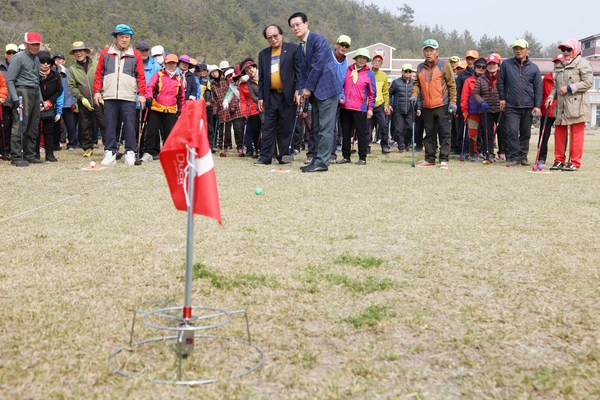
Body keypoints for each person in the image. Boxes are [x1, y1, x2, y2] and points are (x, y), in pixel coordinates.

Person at [289, 12, 341, 173]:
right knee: (316, 127)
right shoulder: (300, 47)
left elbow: (318, 66)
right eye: (292, 26)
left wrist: (308, 89)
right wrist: (300, 91)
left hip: (327, 90)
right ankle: (317, 160)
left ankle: (322, 162)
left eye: (298, 24)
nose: (295, 28)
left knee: (325, 127)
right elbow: (303, 73)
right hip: (315, 92)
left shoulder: (318, 40)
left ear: (306, 24)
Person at [93, 24, 146, 166]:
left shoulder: (136, 55)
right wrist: (97, 91)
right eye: (122, 37)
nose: (124, 40)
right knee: (109, 124)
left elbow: (141, 76)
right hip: (110, 95)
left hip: (128, 96)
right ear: (115, 38)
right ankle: (110, 151)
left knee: (129, 125)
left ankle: (130, 151)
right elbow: (99, 74)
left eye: (127, 37)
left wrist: (141, 93)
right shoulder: (105, 53)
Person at [254, 24, 300, 166]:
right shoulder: (263, 54)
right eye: (269, 38)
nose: (273, 39)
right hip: (271, 96)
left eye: (275, 36)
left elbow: (299, 72)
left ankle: (285, 158)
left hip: (288, 96)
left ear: (281, 34)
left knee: (286, 128)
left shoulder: (293, 49)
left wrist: (298, 90)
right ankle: (265, 157)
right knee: (268, 127)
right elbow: (261, 79)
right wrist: (261, 97)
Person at [545, 39, 593, 171]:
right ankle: (559, 160)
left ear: (576, 50)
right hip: (561, 105)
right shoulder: (560, 65)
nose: (565, 52)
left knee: (576, 135)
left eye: (568, 49)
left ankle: (574, 162)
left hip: (577, 105)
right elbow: (556, 86)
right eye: (563, 49)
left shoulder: (583, 63)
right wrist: (550, 97)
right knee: (559, 134)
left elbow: (588, 83)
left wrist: (570, 87)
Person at [410, 39, 456, 169]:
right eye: (426, 50)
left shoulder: (444, 65)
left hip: (443, 105)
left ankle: (444, 159)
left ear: (437, 52)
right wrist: (414, 95)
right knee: (429, 134)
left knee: (444, 133)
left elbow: (452, 85)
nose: (428, 53)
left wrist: (453, 102)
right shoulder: (420, 67)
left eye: (431, 50)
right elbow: (417, 84)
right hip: (427, 106)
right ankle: (430, 159)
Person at [497, 39, 542, 167]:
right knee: (512, 131)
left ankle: (523, 156)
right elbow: (500, 82)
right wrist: (502, 98)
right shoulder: (506, 64)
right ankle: (514, 157)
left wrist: (537, 106)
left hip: (528, 105)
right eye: (516, 48)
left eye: (521, 48)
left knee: (525, 133)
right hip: (511, 105)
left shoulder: (534, 68)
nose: (518, 51)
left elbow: (538, 89)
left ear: (527, 50)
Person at [6, 32, 44, 165]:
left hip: (34, 92)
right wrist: (16, 99)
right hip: (22, 91)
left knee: (33, 125)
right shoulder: (18, 58)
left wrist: (40, 99)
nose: (35, 47)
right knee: (20, 125)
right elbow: (10, 80)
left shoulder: (36, 59)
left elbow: (36, 81)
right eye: (32, 44)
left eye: (37, 44)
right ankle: (16, 156)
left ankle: (30, 154)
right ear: (26, 44)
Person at [336, 48, 375, 165]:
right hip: (345, 107)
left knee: (361, 133)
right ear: (356, 58)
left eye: (364, 58)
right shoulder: (348, 70)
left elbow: (372, 93)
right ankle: (346, 156)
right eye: (360, 57)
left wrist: (370, 109)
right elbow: (341, 84)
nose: (362, 60)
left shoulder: (369, 73)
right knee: (345, 133)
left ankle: (362, 157)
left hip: (360, 108)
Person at [142, 53, 183, 162]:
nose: (171, 65)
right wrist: (149, 97)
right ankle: (148, 152)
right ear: (165, 63)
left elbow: (181, 97)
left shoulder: (178, 80)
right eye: (169, 63)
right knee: (151, 132)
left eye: (174, 63)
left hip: (170, 110)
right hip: (156, 108)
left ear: (176, 65)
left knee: (169, 133)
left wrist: (181, 110)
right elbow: (150, 87)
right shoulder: (158, 74)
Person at [68, 41, 106, 158]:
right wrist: (81, 98)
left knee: (104, 124)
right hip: (83, 101)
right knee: (85, 126)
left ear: (85, 52)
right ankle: (88, 148)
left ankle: (109, 147)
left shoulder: (96, 64)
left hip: (98, 99)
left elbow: (103, 79)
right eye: (76, 52)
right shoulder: (72, 69)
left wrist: (102, 94)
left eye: (81, 51)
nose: (78, 54)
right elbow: (72, 86)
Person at [471, 54, 505, 163]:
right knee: (488, 133)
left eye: (494, 64)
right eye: (489, 64)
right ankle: (489, 153)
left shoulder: (502, 77)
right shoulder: (481, 79)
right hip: (486, 110)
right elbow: (475, 93)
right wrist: (481, 102)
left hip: (501, 109)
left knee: (503, 132)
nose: (492, 66)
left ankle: (504, 152)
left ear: (498, 65)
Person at [34, 50, 63, 162]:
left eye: (48, 62)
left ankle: (49, 154)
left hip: (49, 105)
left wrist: (50, 102)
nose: (45, 64)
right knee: (35, 131)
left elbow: (59, 90)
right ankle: (35, 154)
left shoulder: (55, 74)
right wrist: (39, 102)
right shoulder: (33, 73)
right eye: (42, 61)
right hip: (35, 104)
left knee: (49, 131)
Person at [537, 54, 563, 165]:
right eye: (556, 62)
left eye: (560, 62)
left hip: (560, 111)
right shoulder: (547, 78)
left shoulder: (566, 78)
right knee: (543, 135)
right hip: (546, 110)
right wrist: (538, 106)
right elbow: (541, 94)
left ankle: (560, 158)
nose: (558, 64)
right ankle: (541, 157)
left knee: (561, 136)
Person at [460, 57, 487, 162]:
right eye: (478, 67)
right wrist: (464, 110)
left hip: (486, 112)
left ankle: (486, 153)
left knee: (486, 133)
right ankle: (474, 153)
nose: (481, 69)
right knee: (473, 134)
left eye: (483, 67)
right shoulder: (468, 81)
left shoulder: (488, 81)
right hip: (472, 112)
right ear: (474, 68)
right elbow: (464, 97)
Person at [389, 64, 420, 153]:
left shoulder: (414, 83)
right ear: (402, 72)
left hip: (410, 110)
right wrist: (389, 104)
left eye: (409, 71)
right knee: (399, 129)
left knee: (410, 128)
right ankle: (401, 147)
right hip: (398, 110)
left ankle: (406, 143)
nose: (407, 73)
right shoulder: (396, 82)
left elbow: (418, 96)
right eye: (405, 71)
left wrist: (418, 108)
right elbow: (389, 94)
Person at [330, 34, 351, 161]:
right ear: (336, 44)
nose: (343, 47)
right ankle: (314, 152)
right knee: (320, 126)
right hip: (324, 96)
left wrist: (342, 94)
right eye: (342, 44)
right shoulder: (329, 56)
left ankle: (332, 153)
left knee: (334, 127)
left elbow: (344, 81)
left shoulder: (346, 61)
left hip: (338, 99)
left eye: (346, 46)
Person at [368, 51, 391, 153]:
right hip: (368, 105)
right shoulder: (367, 72)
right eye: (375, 60)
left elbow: (385, 92)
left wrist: (386, 105)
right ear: (372, 62)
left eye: (379, 61)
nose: (377, 62)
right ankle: (366, 146)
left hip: (379, 105)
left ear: (381, 64)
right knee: (366, 128)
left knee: (383, 126)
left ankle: (385, 146)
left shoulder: (383, 75)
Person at [239, 58, 261, 157]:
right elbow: (243, 101)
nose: (249, 71)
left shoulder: (264, 76)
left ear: (255, 67)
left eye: (250, 68)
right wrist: (244, 113)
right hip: (252, 111)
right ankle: (257, 150)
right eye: (246, 71)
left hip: (267, 108)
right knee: (255, 132)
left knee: (268, 130)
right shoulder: (244, 84)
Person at [0, 44, 16, 159]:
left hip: (16, 100)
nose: (11, 55)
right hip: (4, 102)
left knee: (16, 127)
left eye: (13, 53)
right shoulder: (0, 66)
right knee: (4, 127)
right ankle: (4, 150)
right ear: (5, 53)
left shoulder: (20, 65)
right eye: (9, 53)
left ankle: (14, 150)